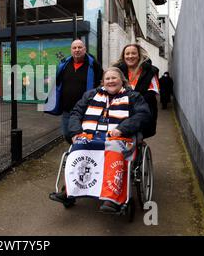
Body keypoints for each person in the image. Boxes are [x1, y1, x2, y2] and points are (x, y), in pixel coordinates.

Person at [50, 68, 152, 212]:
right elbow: (76, 113)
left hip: (118, 137)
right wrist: (75, 132)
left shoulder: (133, 96)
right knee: (78, 148)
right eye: (107, 78)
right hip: (90, 136)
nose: (110, 81)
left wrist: (122, 128)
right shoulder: (91, 95)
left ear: (122, 80)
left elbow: (143, 115)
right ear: (103, 82)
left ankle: (112, 199)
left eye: (114, 78)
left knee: (114, 151)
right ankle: (69, 191)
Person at [45, 39, 103, 144]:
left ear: (84, 49)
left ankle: (81, 154)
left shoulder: (93, 64)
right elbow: (58, 82)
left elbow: (101, 82)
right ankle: (74, 152)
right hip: (67, 109)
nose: (77, 50)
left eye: (80, 47)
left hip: (86, 109)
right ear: (71, 50)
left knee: (85, 135)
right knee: (67, 134)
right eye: (74, 48)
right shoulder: (65, 64)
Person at [114, 44, 159, 138]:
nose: (130, 56)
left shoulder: (150, 71)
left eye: (133, 53)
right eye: (127, 54)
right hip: (120, 111)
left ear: (139, 56)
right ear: (123, 56)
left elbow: (151, 94)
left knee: (137, 140)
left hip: (142, 112)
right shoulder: (117, 71)